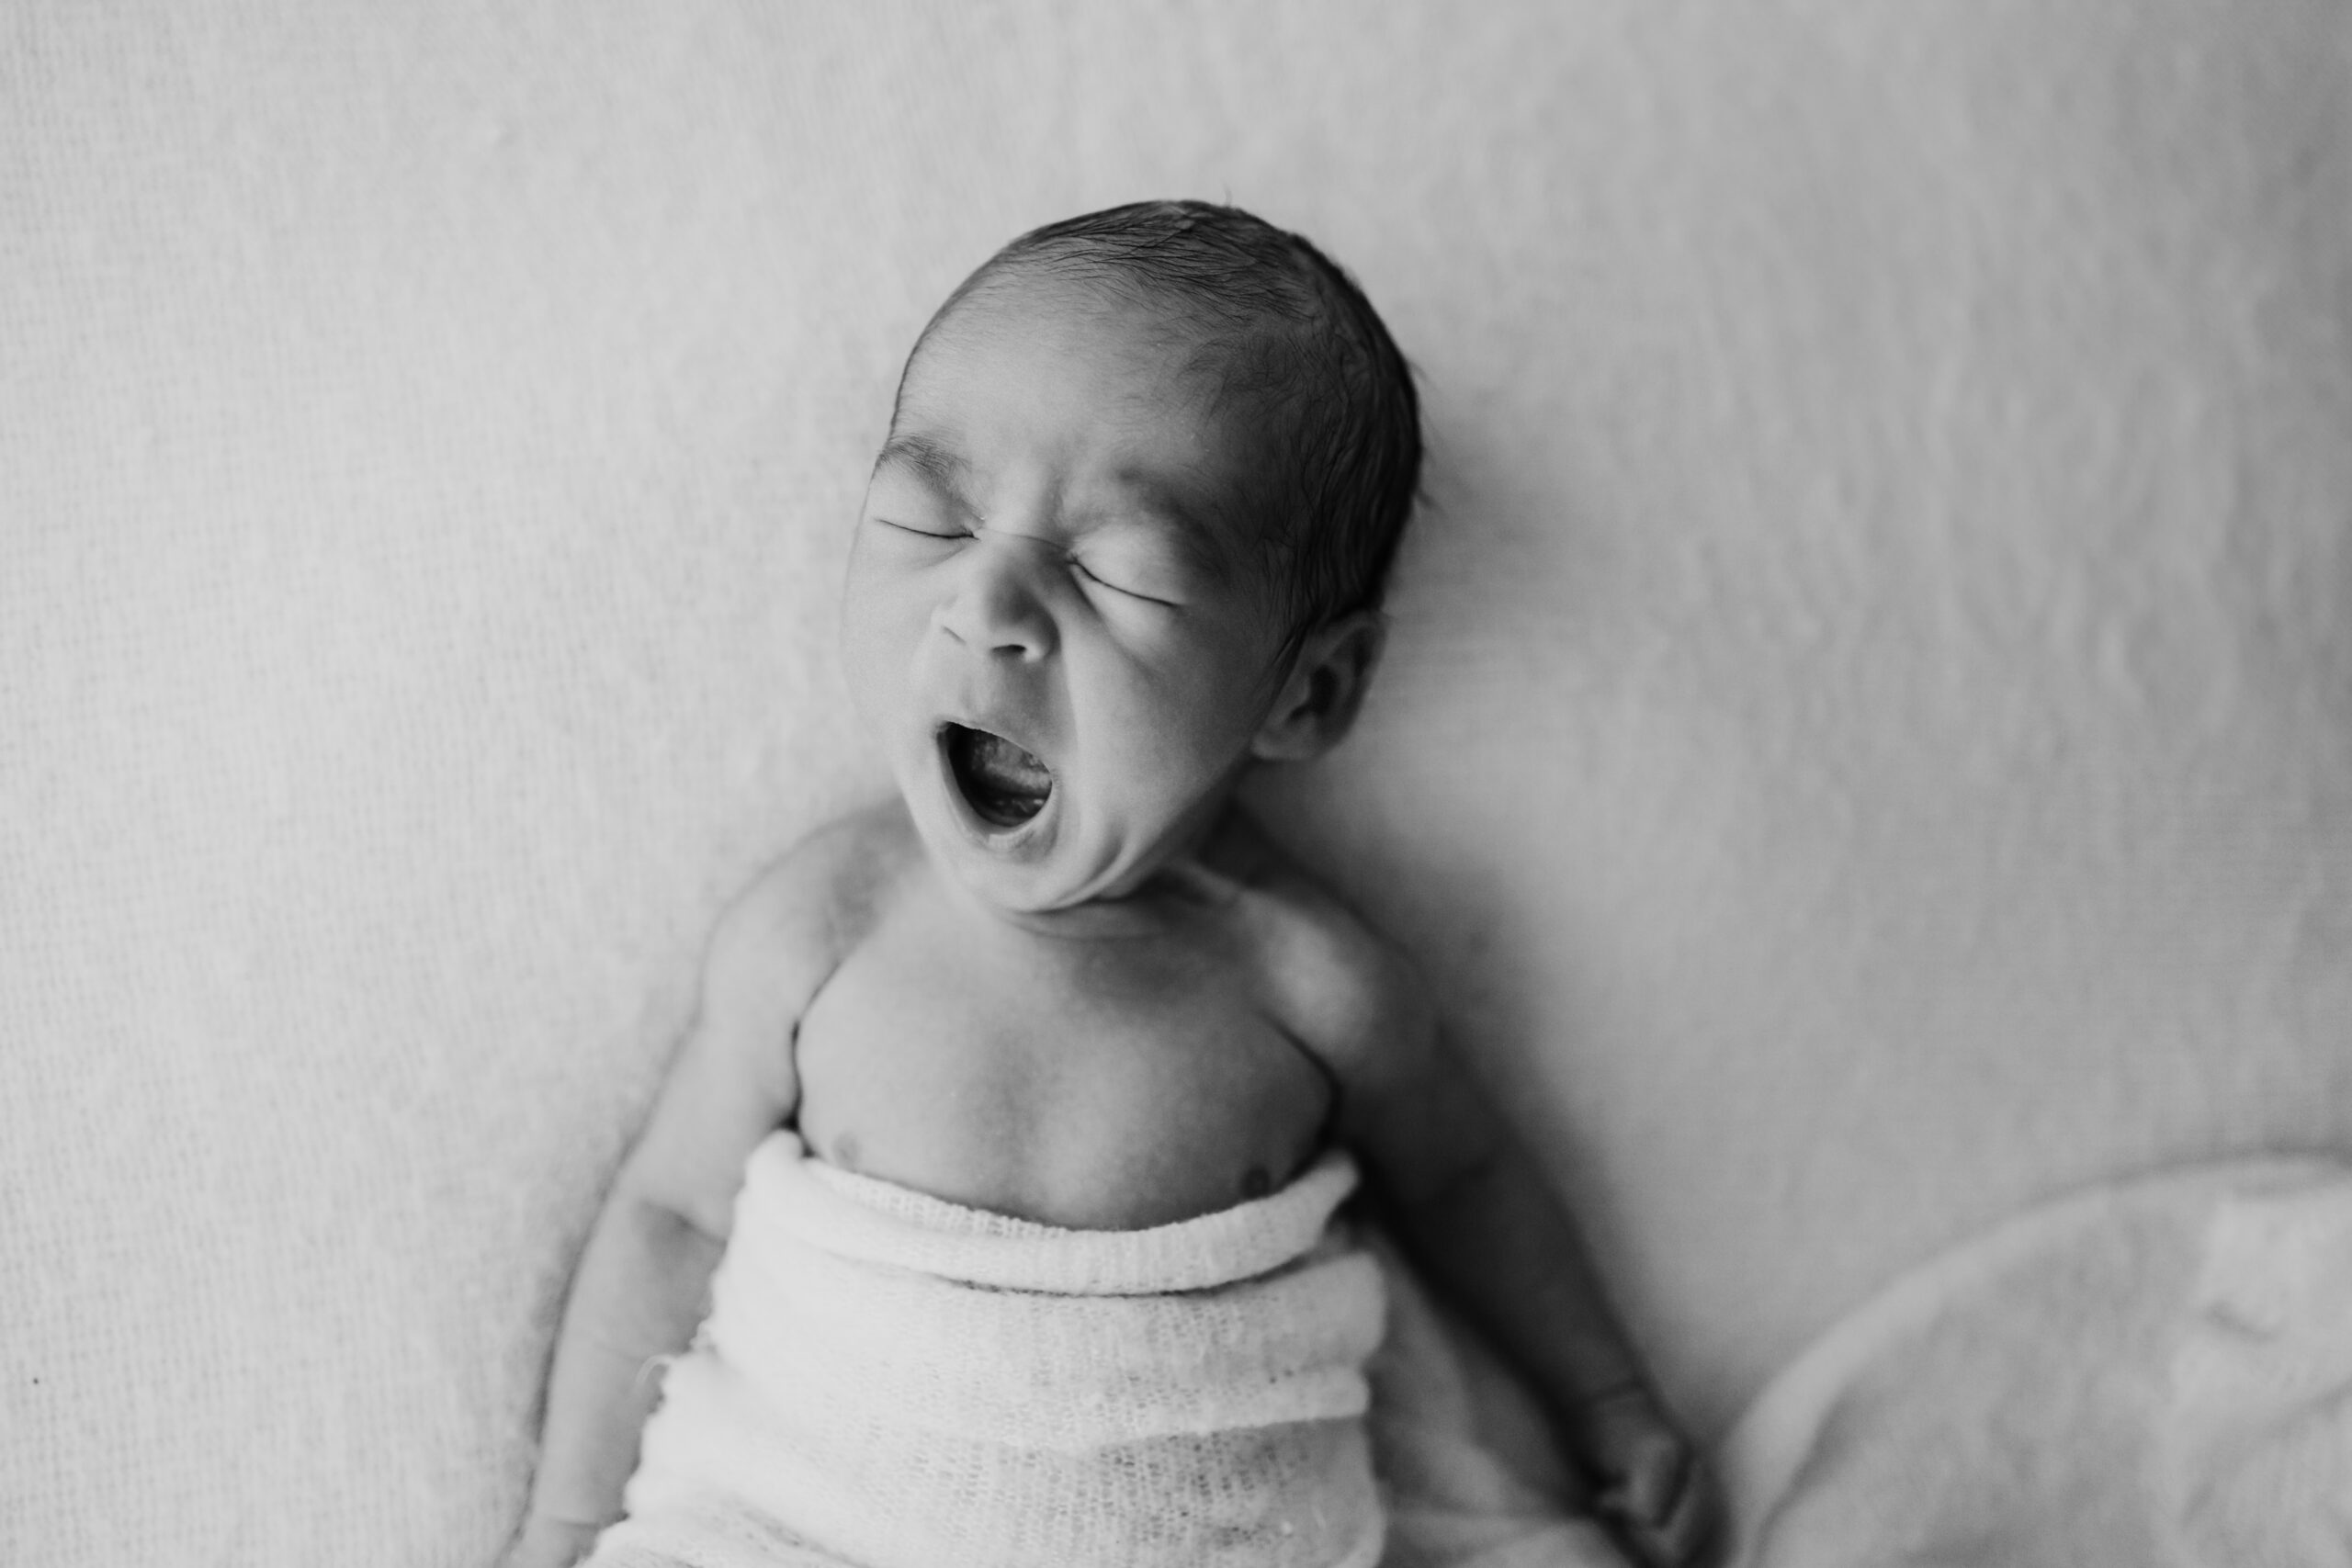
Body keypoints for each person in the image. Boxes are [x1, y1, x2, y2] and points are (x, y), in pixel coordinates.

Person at [506, 199, 1713, 1568]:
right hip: (792, 1528)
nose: (988, 609)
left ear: (1310, 692)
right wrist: (566, 1523)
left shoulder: (1309, 983)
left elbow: (1472, 1185)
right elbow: (671, 1217)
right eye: (933, 521)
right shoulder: (827, 924)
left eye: (1116, 573)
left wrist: (1607, 1402)